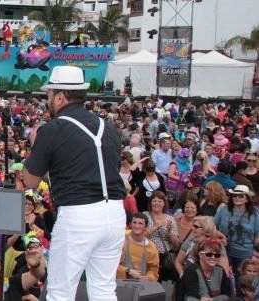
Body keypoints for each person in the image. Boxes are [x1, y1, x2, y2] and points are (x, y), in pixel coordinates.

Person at [23, 66, 126, 300]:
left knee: (60, 291)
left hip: (79, 214)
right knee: (103, 288)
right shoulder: (108, 127)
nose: (47, 100)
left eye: (49, 95)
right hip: (114, 213)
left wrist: (34, 145)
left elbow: (30, 181)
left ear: (60, 97)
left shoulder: (52, 129)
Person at [214, 185, 259, 270]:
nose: (237, 198)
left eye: (241, 196)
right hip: (224, 251)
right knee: (225, 278)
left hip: (245, 254)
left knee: (240, 280)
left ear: (247, 199)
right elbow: (212, 227)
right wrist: (220, 236)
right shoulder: (223, 210)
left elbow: (257, 236)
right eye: (234, 195)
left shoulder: (255, 214)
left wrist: (256, 253)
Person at [142, 191, 179, 281]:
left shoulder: (170, 219)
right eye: (154, 201)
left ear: (164, 204)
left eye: (160, 201)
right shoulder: (144, 215)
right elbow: (139, 236)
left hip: (163, 257)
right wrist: (156, 227)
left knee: (158, 282)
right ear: (150, 203)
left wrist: (170, 231)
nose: (157, 203)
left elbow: (176, 245)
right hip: (145, 254)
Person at [116, 213, 159, 281]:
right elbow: (109, 264)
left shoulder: (151, 247)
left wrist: (149, 278)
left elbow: (153, 270)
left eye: (140, 223)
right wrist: (127, 271)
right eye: (134, 222)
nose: (137, 226)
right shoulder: (120, 241)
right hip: (119, 284)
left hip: (141, 287)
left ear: (146, 227)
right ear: (130, 224)